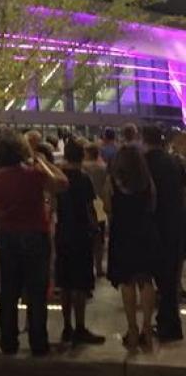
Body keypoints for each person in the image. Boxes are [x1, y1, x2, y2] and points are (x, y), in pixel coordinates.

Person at [0, 130, 66, 356]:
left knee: (9, 291)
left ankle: (8, 340)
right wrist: (42, 161)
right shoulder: (34, 175)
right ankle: (38, 341)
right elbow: (61, 183)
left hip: (8, 236)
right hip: (34, 234)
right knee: (36, 292)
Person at [107, 143, 159, 350]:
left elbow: (107, 206)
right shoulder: (147, 182)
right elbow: (153, 204)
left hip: (123, 234)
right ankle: (147, 328)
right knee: (146, 280)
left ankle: (133, 329)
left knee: (127, 281)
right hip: (145, 232)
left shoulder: (113, 182)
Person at [54, 137, 104, 345]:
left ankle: (67, 325)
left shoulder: (59, 177)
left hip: (62, 231)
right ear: (81, 156)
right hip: (80, 233)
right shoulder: (83, 179)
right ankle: (80, 326)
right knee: (80, 284)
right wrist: (96, 229)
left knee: (65, 282)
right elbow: (89, 207)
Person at [142, 126, 184, 341]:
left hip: (153, 227)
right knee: (170, 280)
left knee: (155, 278)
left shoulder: (143, 163)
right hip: (175, 225)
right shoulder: (174, 162)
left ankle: (166, 325)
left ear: (144, 139)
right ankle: (171, 324)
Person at [81, 142, 108, 280]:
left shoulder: (83, 167)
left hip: (86, 204)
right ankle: (99, 267)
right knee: (99, 237)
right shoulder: (103, 167)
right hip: (100, 204)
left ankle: (88, 267)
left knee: (87, 238)